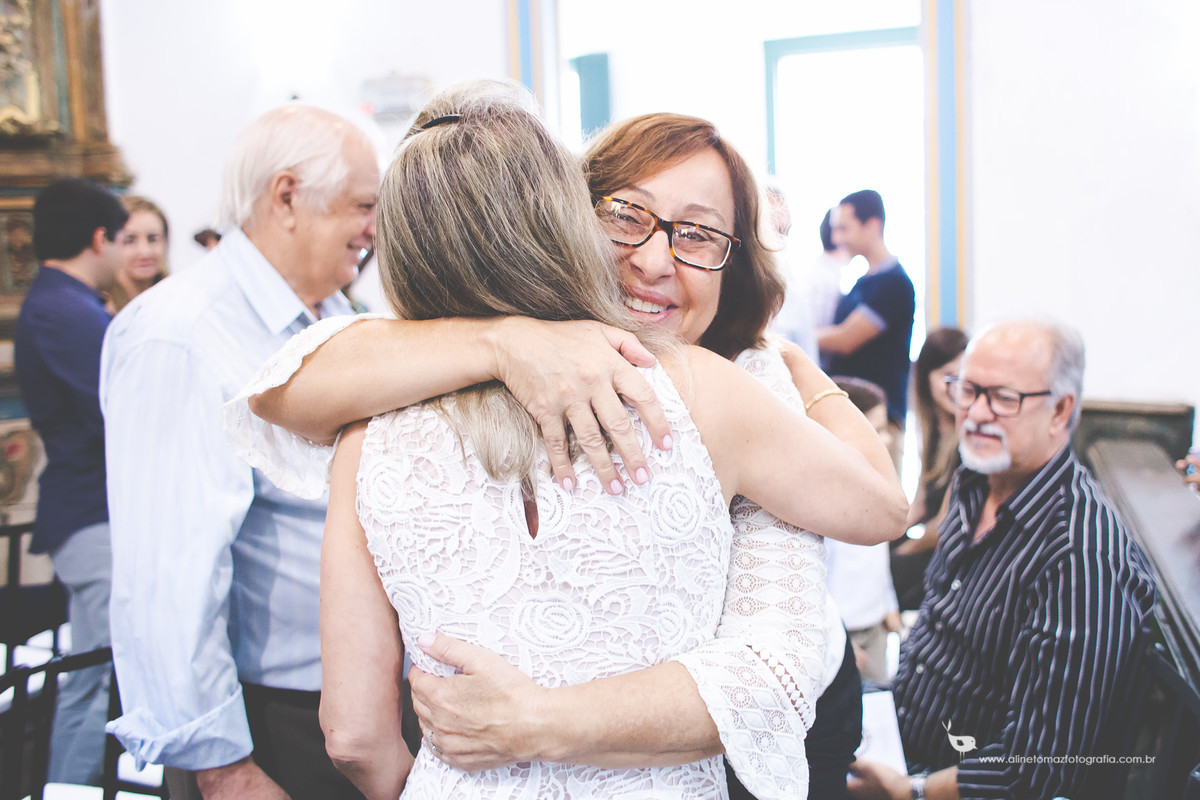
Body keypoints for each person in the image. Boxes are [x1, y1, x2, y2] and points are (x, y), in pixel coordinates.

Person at [229, 96, 906, 799]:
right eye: (627, 216)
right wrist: (507, 340)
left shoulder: (731, 385)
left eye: (699, 235)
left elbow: (784, 649)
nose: (652, 260)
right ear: (564, 212)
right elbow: (284, 386)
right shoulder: (388, 393)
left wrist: (796, 369)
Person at [100, 104, 378, 800]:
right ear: (287, 196)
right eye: (362, 207)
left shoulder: (336, 316)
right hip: (267, 726)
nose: (374, 231)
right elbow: (169, 575)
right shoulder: (182, 333)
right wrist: (223, 770)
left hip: (355, 705)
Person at [848, 320, 1157, 800]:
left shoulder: (1080, 555)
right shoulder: (974, 481)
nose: (975, 413)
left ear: (1060, 410)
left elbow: (1040, 765)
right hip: (896, 732)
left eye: (1004, 398)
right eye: (968, 390)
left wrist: (911, 790)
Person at [14, 177, 127, 784]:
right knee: (95, 672)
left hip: (91, 508)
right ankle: (71, 787)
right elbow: (119, 409)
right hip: (91, 512)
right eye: (123, 239)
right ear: (98, 237)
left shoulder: (65, 303)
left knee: (96, 668)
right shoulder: (65, 307)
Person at [818, 190, 915, 468]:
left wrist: (796, 338)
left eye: (844, 229)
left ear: (873, 225)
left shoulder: (895, 284)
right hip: (853, 417)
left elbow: (846, 339)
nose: (837, 239)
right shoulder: (863, 283)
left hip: (879, 420)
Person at [825, 377, 901, 684]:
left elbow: (879, 562)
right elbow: (817, 582)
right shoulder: (827, 503)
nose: (888, 439)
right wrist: (836, 642)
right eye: (877, 430)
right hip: (843, 636)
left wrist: (889, 607)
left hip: (875, 627)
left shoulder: (878, 489)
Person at [891, 327, 969, 611]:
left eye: (965, 376)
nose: (958, 386)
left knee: (892, 571)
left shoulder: (969, 440)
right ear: (926, 378)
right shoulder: (933, 431)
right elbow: (920, 506)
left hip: (954, 555)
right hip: (935, 544)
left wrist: (900, 552)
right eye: (949, 376)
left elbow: (945, 525)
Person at [107, 195, 169, 313]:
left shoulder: (178, 302)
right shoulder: (102, 311)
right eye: (129, 240)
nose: (144, 251)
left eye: (153, 239)